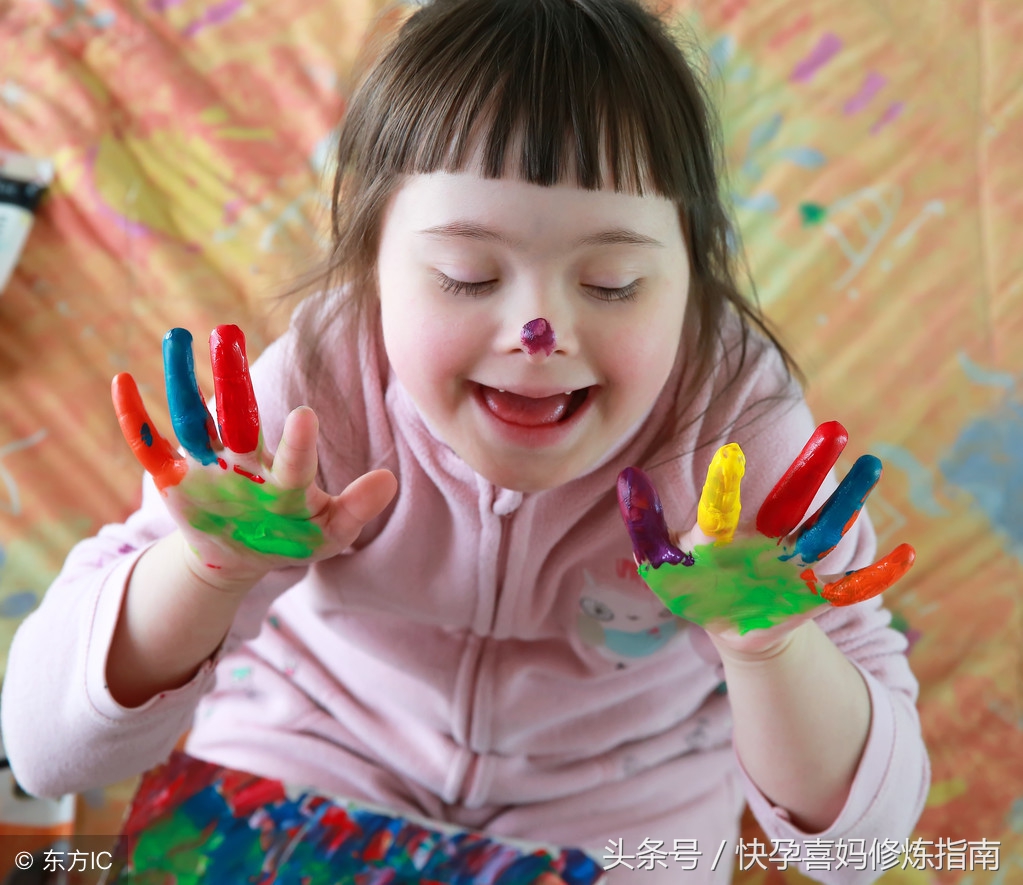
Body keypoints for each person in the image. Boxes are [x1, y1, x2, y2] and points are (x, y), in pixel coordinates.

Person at [1, 1, 928, 882]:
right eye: (464, 273)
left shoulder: (736, 436)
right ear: (371, 264)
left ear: (692, 271)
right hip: (301, 770)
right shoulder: (315, 393)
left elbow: (855, 851)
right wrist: (204, 572)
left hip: (620, 824)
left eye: (610, 283)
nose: (538, 329)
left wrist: (769, 647)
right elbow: (46, 752)